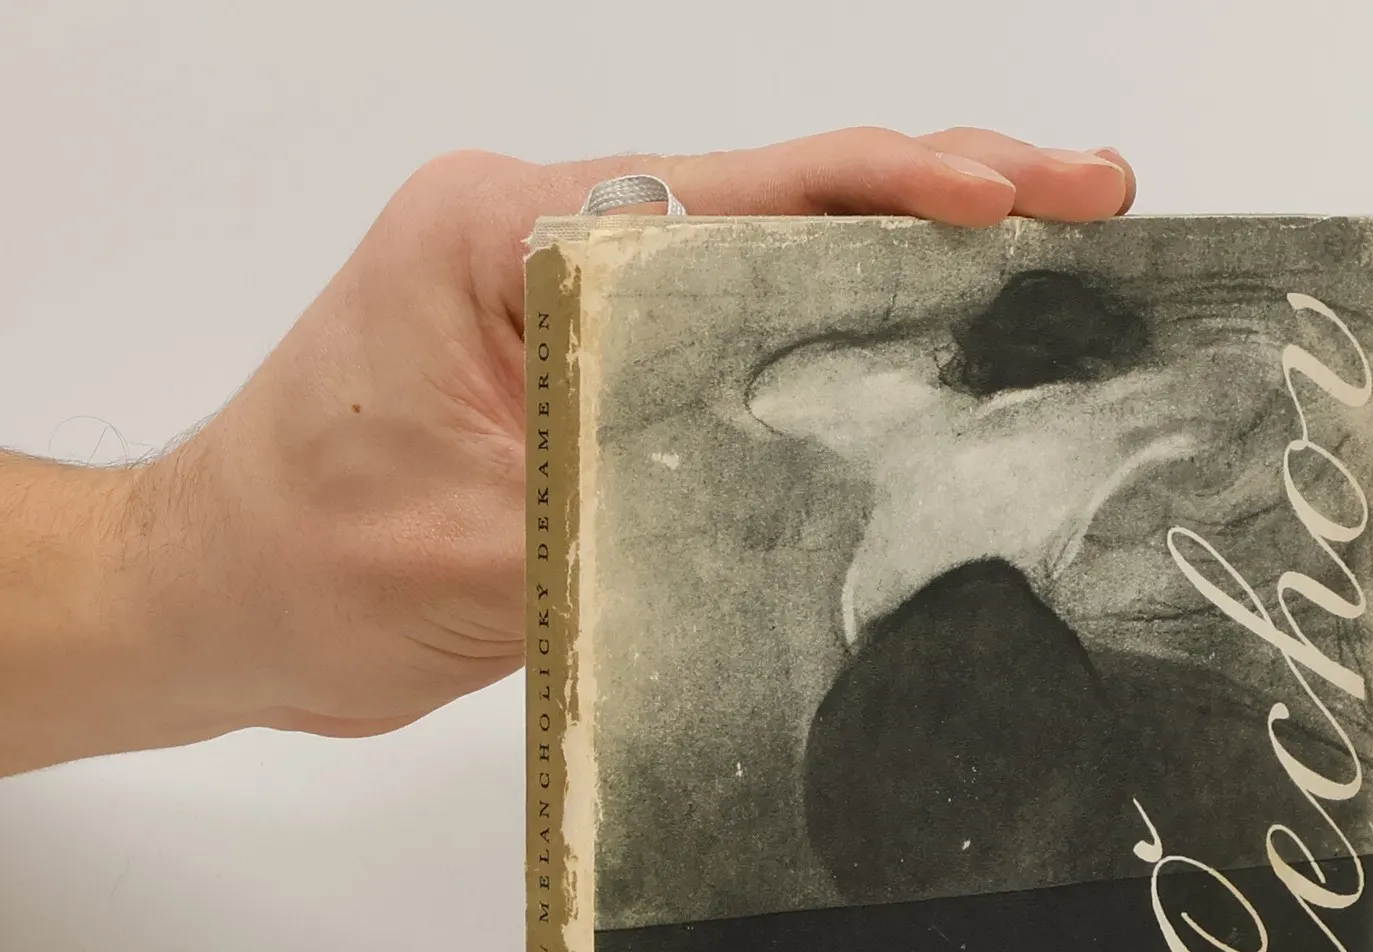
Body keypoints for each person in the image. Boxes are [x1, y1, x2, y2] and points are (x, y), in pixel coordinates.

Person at [0, 128, 1135, 779]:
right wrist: (170, 575)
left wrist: (162, 577)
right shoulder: (958, 443)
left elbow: (785, 395)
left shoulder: (916, 429)